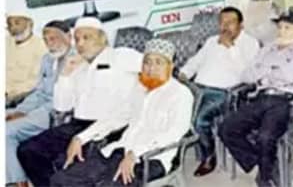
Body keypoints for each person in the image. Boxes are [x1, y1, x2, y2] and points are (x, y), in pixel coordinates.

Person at [17, 17, 142, 187]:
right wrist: (66, 74)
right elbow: (62, 106)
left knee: (67, 165)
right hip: (77, 125)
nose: (80, 43)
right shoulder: (78, 66)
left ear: (102, 38)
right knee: (28, 151)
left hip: (109, 128)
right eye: (77, 39)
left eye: (86, 37)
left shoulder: (122, 56)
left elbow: (154, 74)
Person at [50, 39, 193, 187]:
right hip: (120, 149)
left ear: (171, 66)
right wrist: (81, 138)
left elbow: (174, 132)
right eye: (147, 62)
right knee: (61, 180)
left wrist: (135, 153)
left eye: (159, 62)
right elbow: (117, 117)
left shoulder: (180, 94)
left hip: (151, 159)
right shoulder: (139, 88)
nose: (151, 68)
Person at [219, 16, 293, 187]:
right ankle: (262, 160)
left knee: (265, 137)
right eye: (280, 27)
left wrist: (263, 71)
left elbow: (290, 75)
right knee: (227, 128)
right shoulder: (267, 49)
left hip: (288, 101)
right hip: (262, 98)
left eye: (287, 28)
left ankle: (264, 178)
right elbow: (246, 76)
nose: (281, 31)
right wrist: (272, 70)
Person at [178, 6, 260, 176]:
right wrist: (184, 73)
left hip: (224, 93)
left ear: (241, 25)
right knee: (174, 112)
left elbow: (249, 76)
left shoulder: (250, 43)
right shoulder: (212, 41)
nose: (225, 26)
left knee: (198, 120)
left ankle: (209, 156)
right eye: (222, 22)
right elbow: (195, 62)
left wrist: (231, 48)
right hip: (197, 88)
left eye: (231, 22)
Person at [6, 20, 72, 186]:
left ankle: (19, 182)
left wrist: (28, 115)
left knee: (5, 131)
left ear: (68, 36)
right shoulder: (47, 59)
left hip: (55, 114)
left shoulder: (76, 60)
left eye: (53, 38)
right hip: (38, 108)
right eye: (46, 40)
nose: (49, 44)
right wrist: (20, 110)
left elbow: (66, 100)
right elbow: (39, 92)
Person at [6, 14, 47, 102]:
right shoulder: (5, 42)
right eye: (9, 24)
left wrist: (9, 93)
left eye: (17, 23)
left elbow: (35, 81)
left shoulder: (41, 46)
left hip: (21, 96)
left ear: (30, 24)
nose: (13, 28)